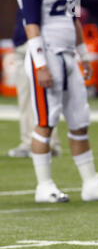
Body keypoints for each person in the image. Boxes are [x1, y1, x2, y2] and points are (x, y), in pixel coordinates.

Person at [14, 0, 98, 203]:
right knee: (46, 122)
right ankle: (44, 185)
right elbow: (31, 23)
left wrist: (83, 56)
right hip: (47, 54)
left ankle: (91, 183)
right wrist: (40, 65)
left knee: (80, 121)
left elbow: (74, 20)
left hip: (68, 55)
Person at [8, 8, 61, 159]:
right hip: (28, 42)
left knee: (46, 101)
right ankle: (31, 143)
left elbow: (75, 11)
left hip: (48, 44)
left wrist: (81, 49)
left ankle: (48, 143)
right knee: (27, 100)